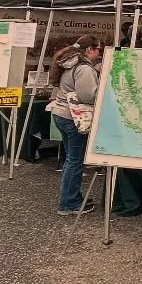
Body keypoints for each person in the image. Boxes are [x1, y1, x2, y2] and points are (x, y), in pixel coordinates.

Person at [49, 35, 102, 214]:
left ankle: (72, 197)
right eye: (98, 49)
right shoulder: (84, 68)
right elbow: (88, 96)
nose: (100, 53)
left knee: (71, 159)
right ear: (90, 49)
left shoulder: (68, 63)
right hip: (74, 118)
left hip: (62, 114)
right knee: (75, 161)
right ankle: (69, 203)